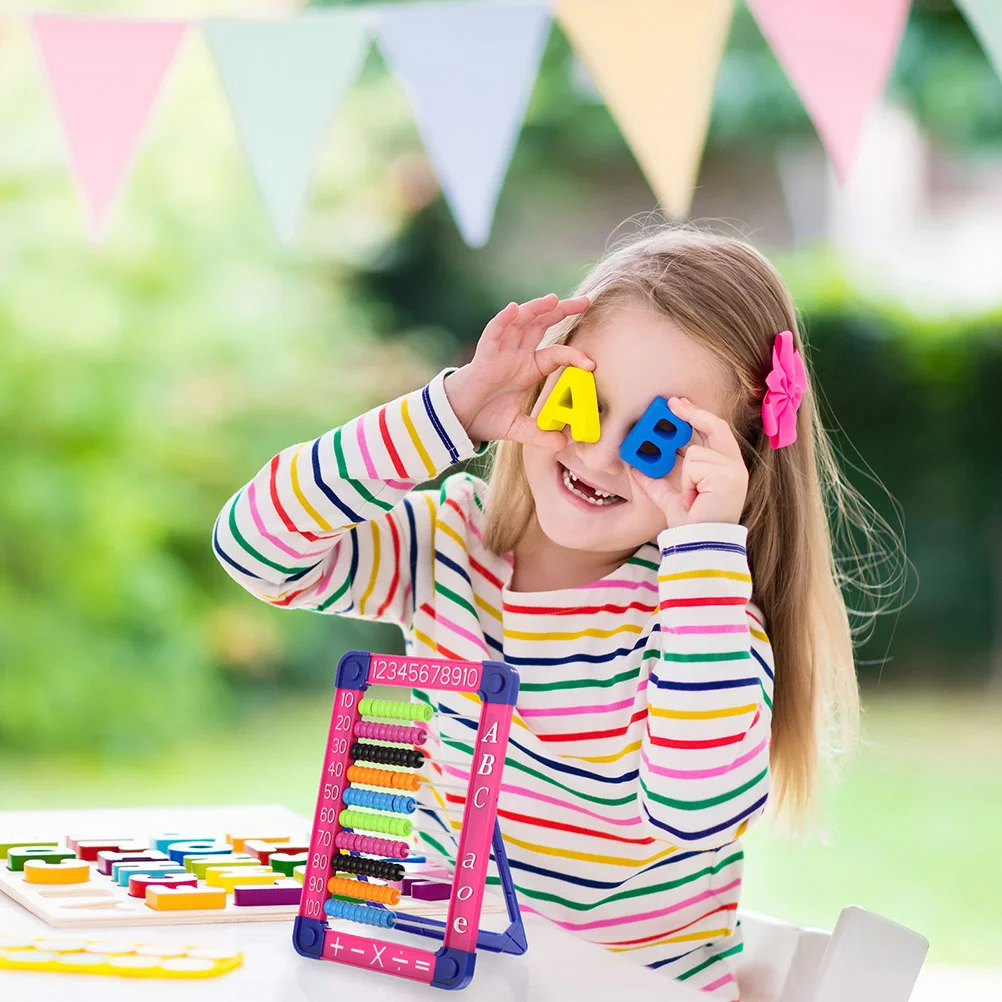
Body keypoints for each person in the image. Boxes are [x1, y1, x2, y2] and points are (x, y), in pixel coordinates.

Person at [212, 223, 875, 1001]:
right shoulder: (449, 548)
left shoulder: (700, 622)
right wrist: (448, 412)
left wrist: (707, 546)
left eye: (657, 439)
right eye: (581, 403)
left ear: (724, 467)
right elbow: (252, 548)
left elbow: (696, 809)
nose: (597, 456)